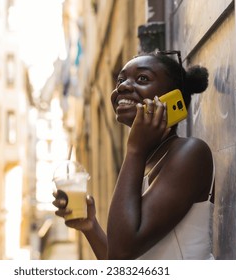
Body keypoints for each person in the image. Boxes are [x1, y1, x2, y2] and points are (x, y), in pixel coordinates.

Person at [53, 50, 214, 260]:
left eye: (142, 78)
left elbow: (122, 253)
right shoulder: (144, 162)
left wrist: (135, 149)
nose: (122, 86)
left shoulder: (191, 154)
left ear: (172, 97)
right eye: (120, 80)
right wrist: (90, 226)